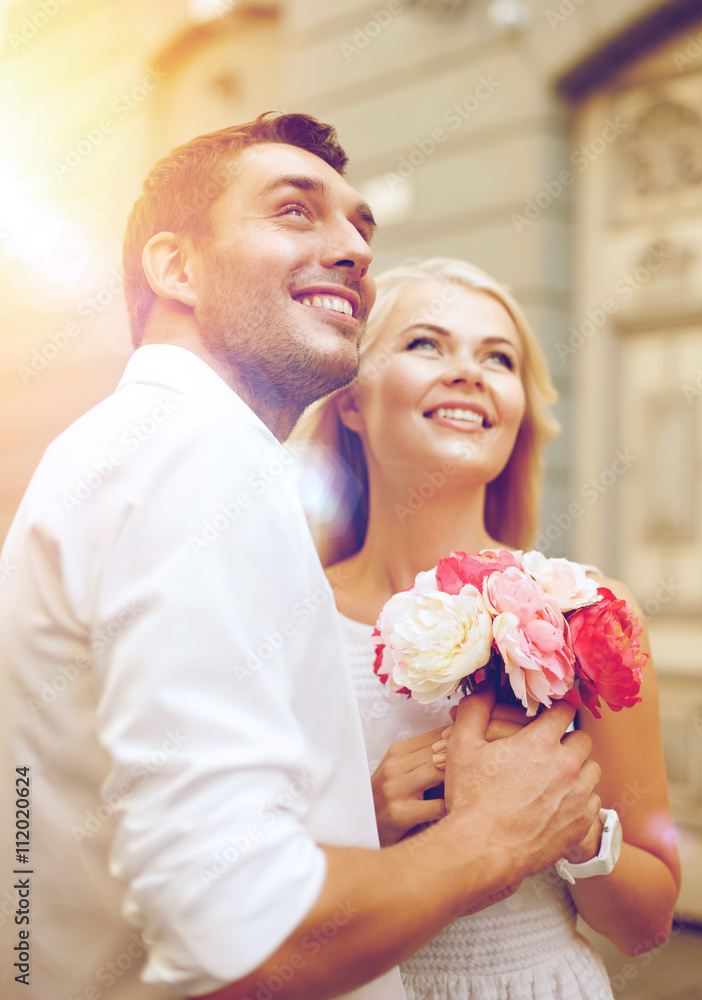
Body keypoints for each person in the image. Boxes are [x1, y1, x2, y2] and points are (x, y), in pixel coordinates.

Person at [0, 119, 602, 1000]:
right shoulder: (194, 458)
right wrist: (493, 839)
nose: (352, 249)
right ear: (176, 269)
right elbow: (239, 933)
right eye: (295, 211)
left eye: (362, 228)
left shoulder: (148, 450)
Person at [291, 257, 682, 1000]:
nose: (468, 372)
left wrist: (568, 827)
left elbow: (647, 923)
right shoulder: (284, 613)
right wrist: (359, 822)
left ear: (514, 410)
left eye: (496, 358)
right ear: (349, 400)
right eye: (426, 345)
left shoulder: (589, 613)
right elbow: (226, 888)